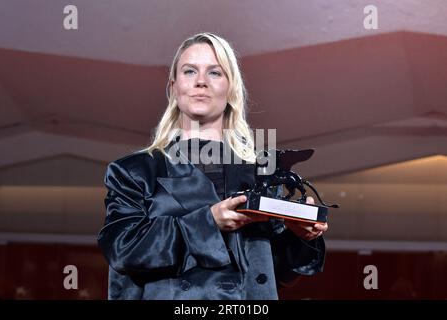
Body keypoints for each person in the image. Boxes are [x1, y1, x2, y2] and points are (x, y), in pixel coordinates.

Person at [97, 32, 328, 300]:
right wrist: (210, 222)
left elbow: (277, 273)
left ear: (231, 88)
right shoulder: (136, 171)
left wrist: (299, 236)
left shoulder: (262, 172)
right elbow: (122, 250)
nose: (201, 82)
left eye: (215, 73)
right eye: (189, 71)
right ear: (174, 86)